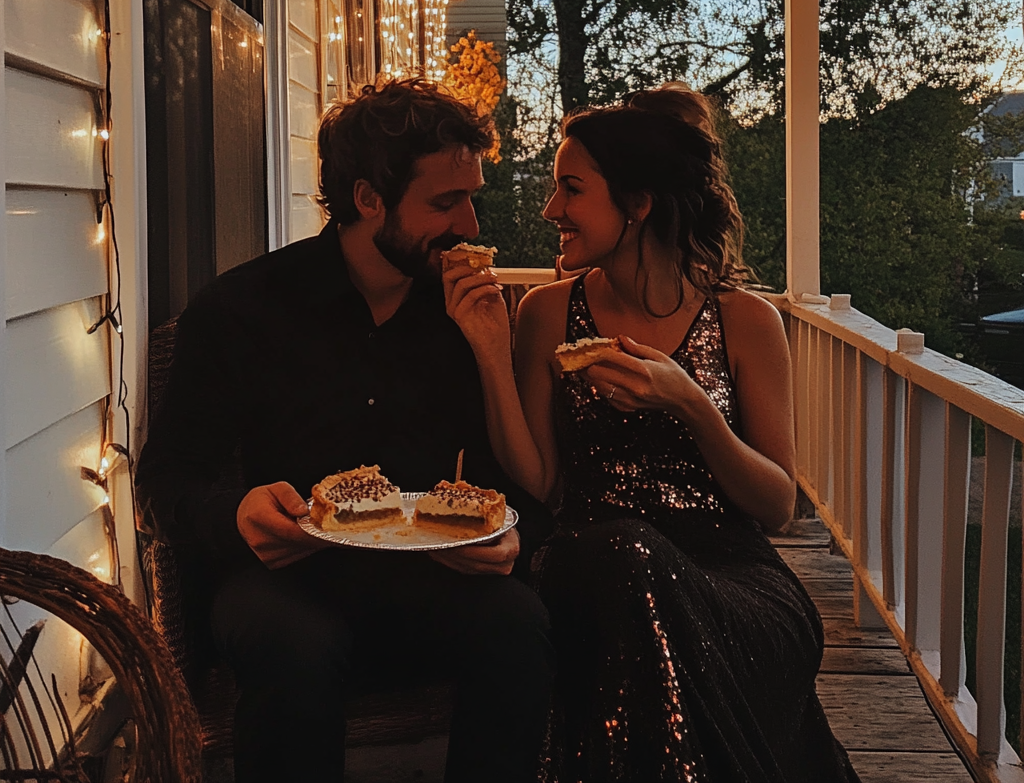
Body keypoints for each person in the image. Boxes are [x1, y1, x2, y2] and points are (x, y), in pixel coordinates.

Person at [134, 79, 554, 783]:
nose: (472, 226)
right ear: (368, 199)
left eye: (471, 197)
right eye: (446, 203)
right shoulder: (240, 310)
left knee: (517, 624)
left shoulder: (467, 314)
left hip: (428, 581)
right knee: (291, 645)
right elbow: (166, 483)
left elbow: (515, 488)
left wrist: (513, 537)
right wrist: (235, 515)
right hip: (284, 583)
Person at [458, 85, 861, 781]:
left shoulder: (744, 321)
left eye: (571, 190)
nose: (551, 209)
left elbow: (777, 505)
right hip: (590, 562)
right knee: (628, 553)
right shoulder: (549, 313)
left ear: (637, 205)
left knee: (647, 588)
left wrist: (692, 405)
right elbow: (545, 482)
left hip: (731, 580)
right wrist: (492, 351)